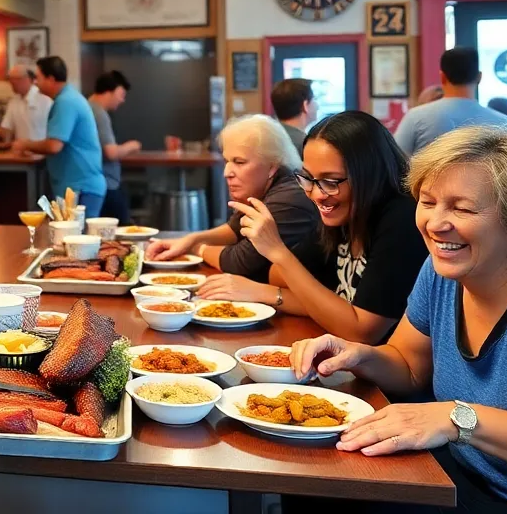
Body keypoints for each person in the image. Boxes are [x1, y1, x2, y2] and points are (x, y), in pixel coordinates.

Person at [288, 126, 507, 513]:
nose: (435, 224)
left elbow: (454, 418)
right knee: (311, 480)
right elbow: (410, 365)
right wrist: (360, 355)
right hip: (451, 473)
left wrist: (457, 418)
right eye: (427, 202)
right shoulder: (442, 270)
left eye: (461, 208)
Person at [220, 111, 428, 343]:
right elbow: (278, 276)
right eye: (308, 178)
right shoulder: (344, 214)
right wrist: (268, 291)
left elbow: (362, 332)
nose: (317, 194)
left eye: (330, 181)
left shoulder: (403, 220)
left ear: (368, 174)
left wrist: (277, 252)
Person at [146, 115, 320, 283]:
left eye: (239, 162)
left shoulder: (289, 198)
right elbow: (234, 228)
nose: (227, 172)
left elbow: (239, 262)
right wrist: (191, 239)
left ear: (272, 166)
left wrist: (197, 248)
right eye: (227, 161)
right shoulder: (268, 186)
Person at [11, 56, 105, 214]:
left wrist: (24, 144)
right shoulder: (69, 98)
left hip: (80, 187)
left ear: (51, 79)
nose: (35, 82)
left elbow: (54, 145)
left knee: (78, 238)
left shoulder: (66, 102)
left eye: (38, 78)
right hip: (77, 185)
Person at [393, 47, 507, 156]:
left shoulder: (416, 117)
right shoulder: (504, 123)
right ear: (479, 77)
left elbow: (395, 160)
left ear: (442, 77)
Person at [88, 71, 141, 224]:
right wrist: (132, 146)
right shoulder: (99, 113)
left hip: (95, 182)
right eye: (121, 94)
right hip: (107, 184)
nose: (122, 100)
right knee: (121, 230)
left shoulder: (87, 107)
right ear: (109, 91)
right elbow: (111, 152)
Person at [0, 64, 53, 144]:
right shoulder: (13, 101)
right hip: (20, 152)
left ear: (28, 79)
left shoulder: (45, 100)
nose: (12, 82)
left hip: (42, 152)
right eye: (10, 79)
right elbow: (6, 127)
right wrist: (6, 142)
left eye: (16, 79)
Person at [270, 78, 317, 156]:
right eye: (314, 99)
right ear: (305, 106)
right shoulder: (306, 145)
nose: (317, 106)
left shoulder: (267, 136)